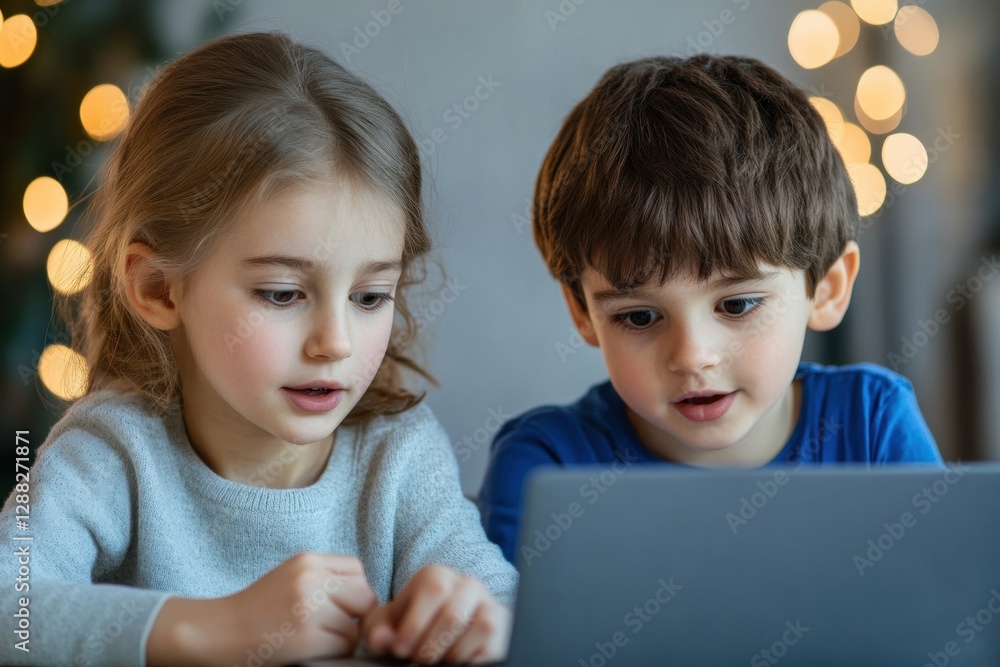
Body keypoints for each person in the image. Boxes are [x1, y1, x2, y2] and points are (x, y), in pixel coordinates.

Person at [0, 32, 514, 666]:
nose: (335, 343)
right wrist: (217, 628)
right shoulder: (113, 453)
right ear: (159, 288)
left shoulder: (400, 453)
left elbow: (508, 607)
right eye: (280, 294)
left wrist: (480, 621)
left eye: (371, 296)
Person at [478, 54, 943, 564]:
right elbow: (506, 637)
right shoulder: (547, 467)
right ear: (582, 311)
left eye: (738, 304)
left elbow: (949, 610)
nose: (692, 356)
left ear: (827, 288)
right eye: (638, 316)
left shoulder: (871, 428)